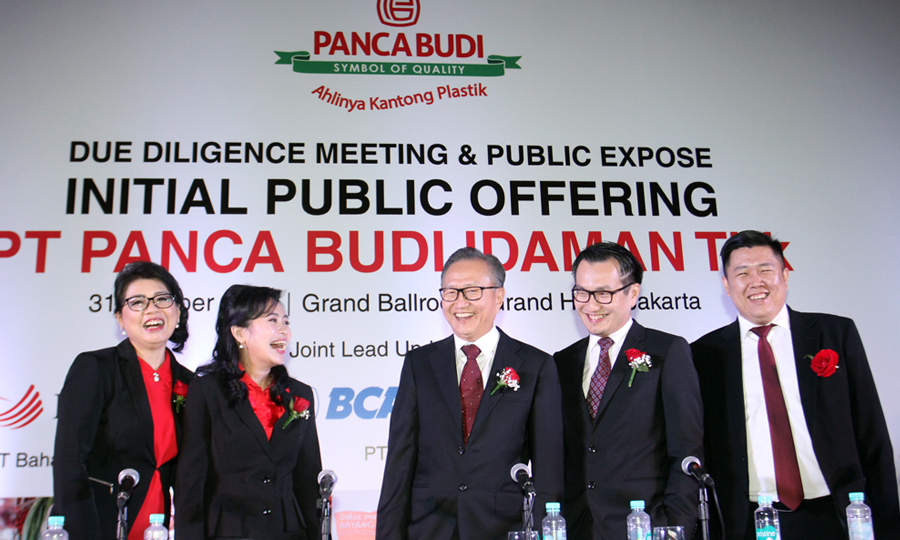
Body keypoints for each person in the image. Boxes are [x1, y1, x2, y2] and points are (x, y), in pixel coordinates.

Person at [691, 230, 900, 539]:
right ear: (726, 285)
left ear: (785, 276)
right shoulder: (704, 354)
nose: (756, 282)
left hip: (836, 514)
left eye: (765, 270)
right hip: (750, 521)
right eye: (742, 273)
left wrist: (888, 524)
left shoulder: (834, 334)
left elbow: (871, 433)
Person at [376, 247, 564, 540]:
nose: (460, 302)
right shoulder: (419, 364)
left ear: (499, 296)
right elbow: (399, 463)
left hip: (504, 528)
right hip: (429, 528)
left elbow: (548, 469)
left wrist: (546, 532)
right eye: (450, 292)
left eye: (472, 291)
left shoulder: (535, 365)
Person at [553, 242, 703, 540]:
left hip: (645, 525)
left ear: (633, 293)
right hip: (578, 525)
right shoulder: (562, 362)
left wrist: (676, 526)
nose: (590, 305)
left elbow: (687, 449)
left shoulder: (667, 351)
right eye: (581, 292)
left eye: (603, 294)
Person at [53, 261, 194, 540]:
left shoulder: (190, 384)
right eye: (137, 302)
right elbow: (69, 462)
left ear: (177, 311)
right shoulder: (96, 368)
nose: (152, 309)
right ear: (120, 318)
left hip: (156, 526)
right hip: (99, 523)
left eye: (162, 299)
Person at [175, 284, 322, 540]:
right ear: (240, 333)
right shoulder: (208, 390)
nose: (284, 331)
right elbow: (191, 481)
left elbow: (308, 480)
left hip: (289, 533)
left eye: (285, 322)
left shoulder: (300, 394)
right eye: (273, 320)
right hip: (229, 532)